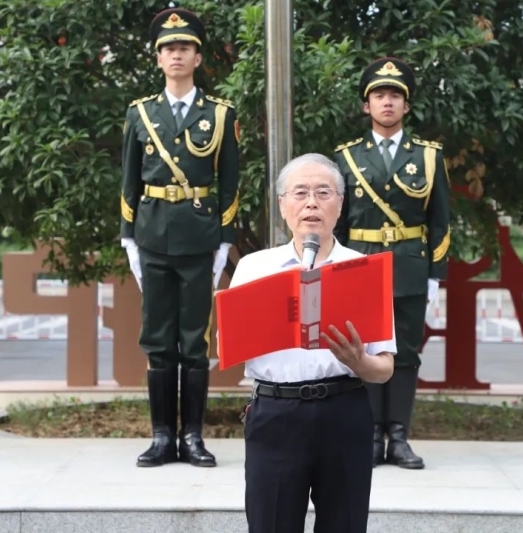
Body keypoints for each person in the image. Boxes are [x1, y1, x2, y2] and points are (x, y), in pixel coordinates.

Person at [225, 153, 397, 533]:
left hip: (344, 412)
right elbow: (228, 348)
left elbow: (384, 367)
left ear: (340, 203)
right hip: (275, 414)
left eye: (323, 192)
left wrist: (358, 361)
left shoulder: (364, 269)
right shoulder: (254, 268)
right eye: (300, 193)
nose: (311, 203)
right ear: (282, 205)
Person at [119, 7, 241, 469]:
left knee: (194, 340)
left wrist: (224, 242)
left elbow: (230, 184)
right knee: (157, 338)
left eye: (184, 47)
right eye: (168, 48)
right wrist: (128, 239)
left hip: (198, 238)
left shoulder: (220, 115)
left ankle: (192, 436)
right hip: (151, 236)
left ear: (197, 57)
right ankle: (161, 436)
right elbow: (129, 181)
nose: (176, 55)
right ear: (158, 58)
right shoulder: (140, 114)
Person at [333, 57, 451, 470]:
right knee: (363, 350)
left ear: (406, 105)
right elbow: (339, 224)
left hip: (409, 267)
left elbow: (440, 222)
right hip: (360, 266)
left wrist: (435, 275)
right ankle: (368, 436)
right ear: (366, 105)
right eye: (379, 95)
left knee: (405, 354)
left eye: (395, 96)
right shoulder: (346, 158)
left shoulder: (429, 157)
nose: (387, 102)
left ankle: (398, 436)